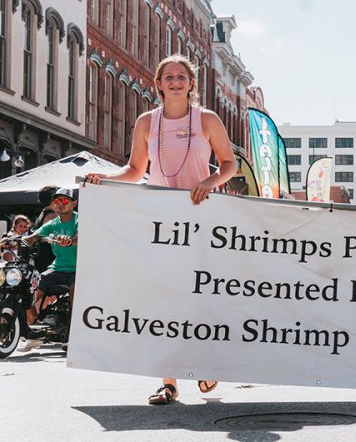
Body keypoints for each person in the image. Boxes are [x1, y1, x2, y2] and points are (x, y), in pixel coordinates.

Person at [85, 54, 237, 405]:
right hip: (160, 222)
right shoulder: (146, 122)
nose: (174, 81)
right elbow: (136, 170)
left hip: (201, 218)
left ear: (191, 83)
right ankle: (169, 381)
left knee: (199, 295)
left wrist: (211, 180)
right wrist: (106, 178)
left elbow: (229, 164)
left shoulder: (208, 119)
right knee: (163, 300)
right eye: (168, 77)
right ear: (158, 84)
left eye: (181, 76)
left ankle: (205, 365)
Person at [2, 188, 79, 352]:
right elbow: (33, 237)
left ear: (74, 203)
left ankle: (74, 335)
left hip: (78, 269)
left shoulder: (80, 220)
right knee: (31, 289)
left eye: (65, 201)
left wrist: (70, 241)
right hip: (56, 269)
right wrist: (15, 241)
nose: (60, 204)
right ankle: (36, 331)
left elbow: (81, 236)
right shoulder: (53, 223)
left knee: (76, 293)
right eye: (57, 201)